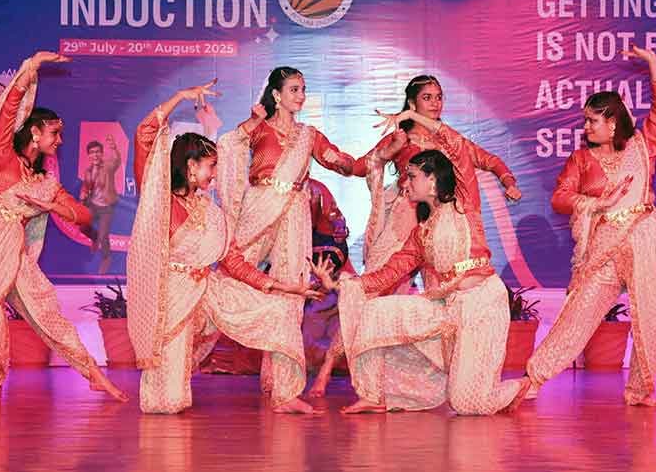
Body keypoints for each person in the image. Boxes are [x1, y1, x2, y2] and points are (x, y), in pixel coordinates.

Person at [307, 74, 522, 397]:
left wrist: (508, 182)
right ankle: (329, 368)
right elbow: (360, 167)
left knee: (443, 312)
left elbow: (488, 160)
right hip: (404, 224)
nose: (435, 103)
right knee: (371, 294)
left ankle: (451, 381)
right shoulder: (401, 139)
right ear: (411, 102)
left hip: (443, 233)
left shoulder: (451, 143)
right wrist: (331, 153)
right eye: (427, 98)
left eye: (439, 97)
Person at [127, 81, 321, 414]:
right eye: (211, 166)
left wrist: (284, 287)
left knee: (278, 312)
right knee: (168, 403)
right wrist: (180, 96)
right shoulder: (158, 200)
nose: (216, 175)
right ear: (191, 166)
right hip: (171, 300)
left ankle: (286, 396)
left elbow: (233, 261)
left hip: (208, 291)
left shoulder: (210, 211)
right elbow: (144, 135)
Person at [311, 149, 528, 415]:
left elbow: (458, 149)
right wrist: (338, 284)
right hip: (446, 305)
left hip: (482, 305)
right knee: (374, 310)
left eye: (412, 176)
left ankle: (520, 386)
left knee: (467, 404)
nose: (405, 183)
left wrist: (421, 121)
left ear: (433, 180)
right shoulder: (421, 233)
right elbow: (388, 273)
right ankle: (373, 396)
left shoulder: (464, 205)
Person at [523, 45, 656, 407]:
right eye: (585, 121)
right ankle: (534, 378)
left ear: (613, 123)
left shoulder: (641, 148)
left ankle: (640, 390)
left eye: (592, 120)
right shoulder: (581, 159)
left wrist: (653, 62)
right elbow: (560, 197)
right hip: (604, 245)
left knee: (653, 314)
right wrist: (596, 204)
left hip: (646, 238)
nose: (586, 127)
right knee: (579, 313)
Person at [0, 51, 127, 405]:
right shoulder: (2, 157)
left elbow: (84, 216)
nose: (59, 140)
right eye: (54, 133)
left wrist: (52, 206)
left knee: (47, 313)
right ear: (34, 132)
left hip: (14, 252)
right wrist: (30, 68)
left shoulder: (45, 182)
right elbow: (6, 114)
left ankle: (93, 374)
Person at [215, 66, 355, 396]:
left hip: (294, 210)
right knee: (231, 271)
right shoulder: (259, 127)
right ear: (277, 95)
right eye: (294, 89)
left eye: (303, 89)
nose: (301, 96)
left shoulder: (309, 135)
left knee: (292, 289)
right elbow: (229, 146)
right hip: (259, 204)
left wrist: (343, 161)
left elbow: (343, 163)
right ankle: (197, 335)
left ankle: (282, 383)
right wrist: (252, 122)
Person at [79, 135, 121, 274]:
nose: (95, 155)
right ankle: (95, 237)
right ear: (88, 155)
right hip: (93, 205)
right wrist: (83, 195)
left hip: (107, 207)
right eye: (92, 152)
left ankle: (106, 258)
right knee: (83, 226)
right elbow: (86, 186)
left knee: (104, 236)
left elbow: (116, 161)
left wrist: (114, 147)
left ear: (102, 153)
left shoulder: (108, 166)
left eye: (97, 152)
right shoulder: (88, 171)